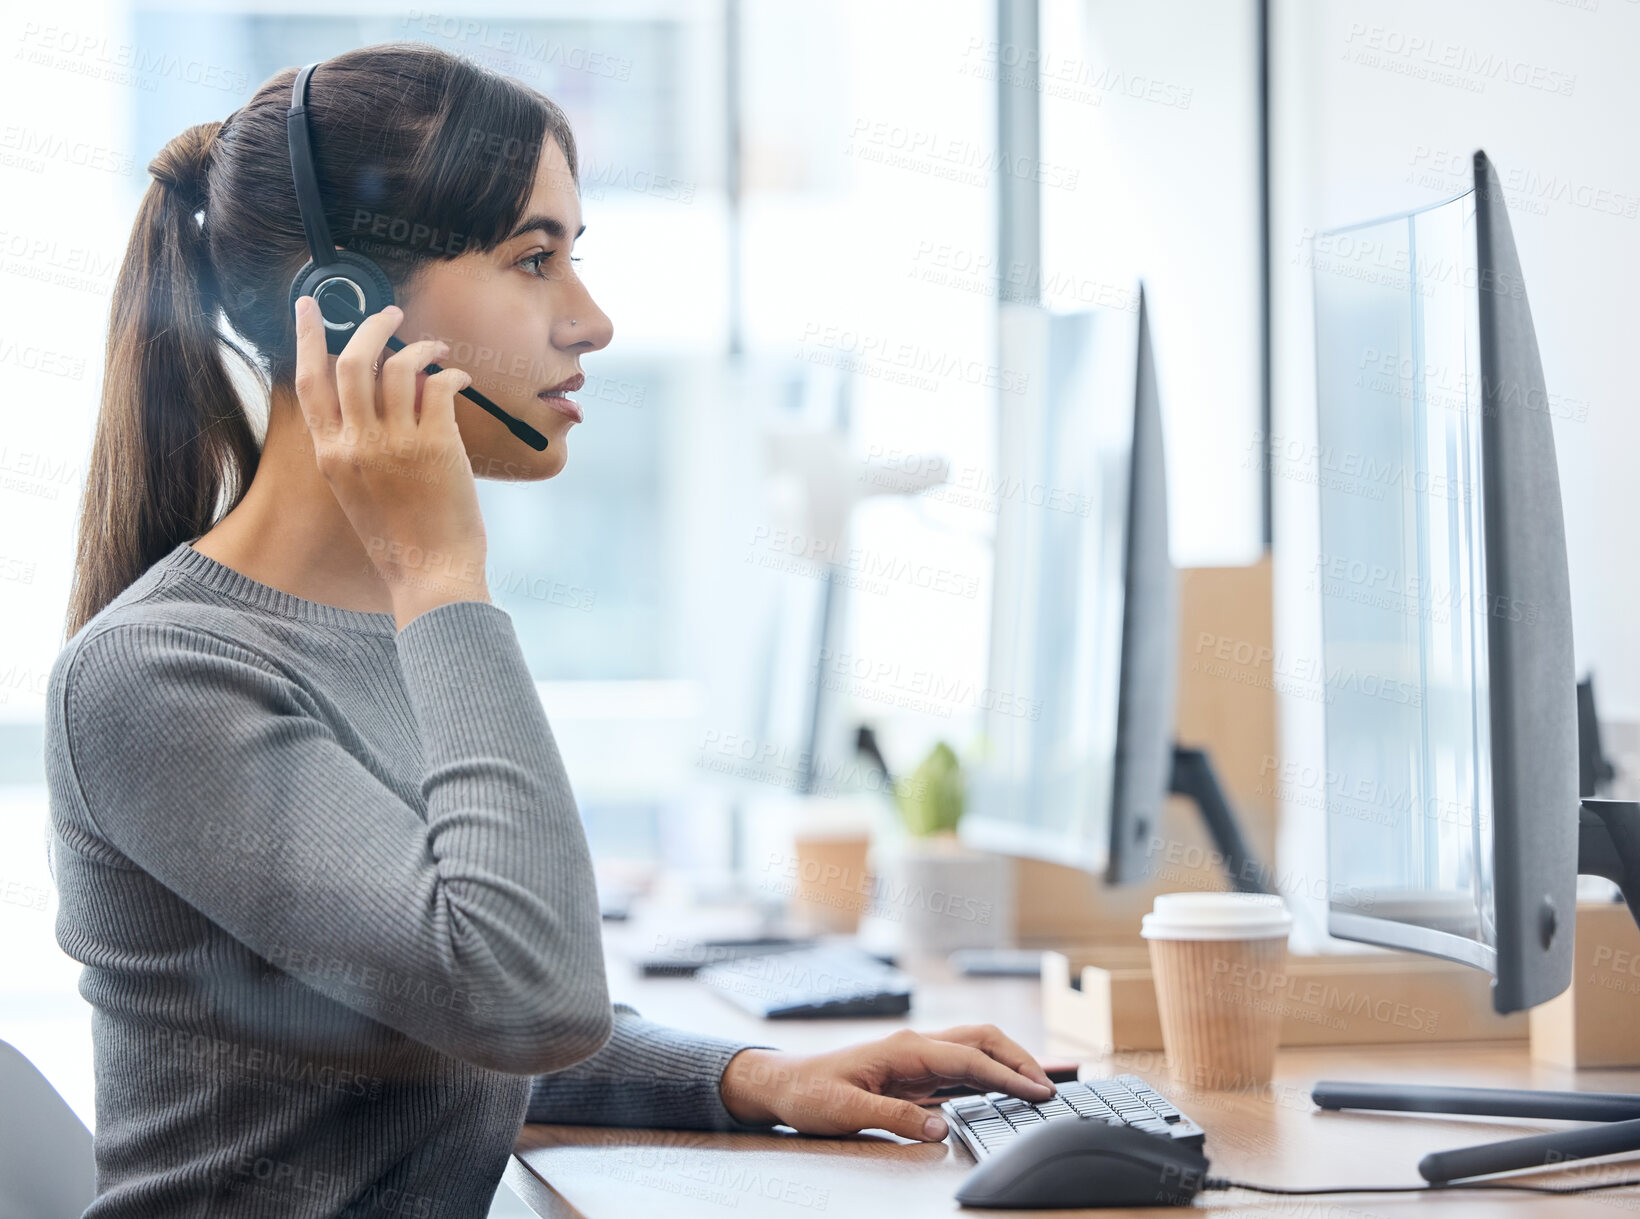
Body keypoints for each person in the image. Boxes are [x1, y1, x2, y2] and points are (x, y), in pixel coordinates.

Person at [43, 42, 1055, 1218]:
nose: (593, 321)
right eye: (534, 260)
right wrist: (437, 565)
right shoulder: (162, 678)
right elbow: (517, 991)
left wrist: (751, 1074)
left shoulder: (394, 630)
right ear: (346, 307)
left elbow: (448, 1007)